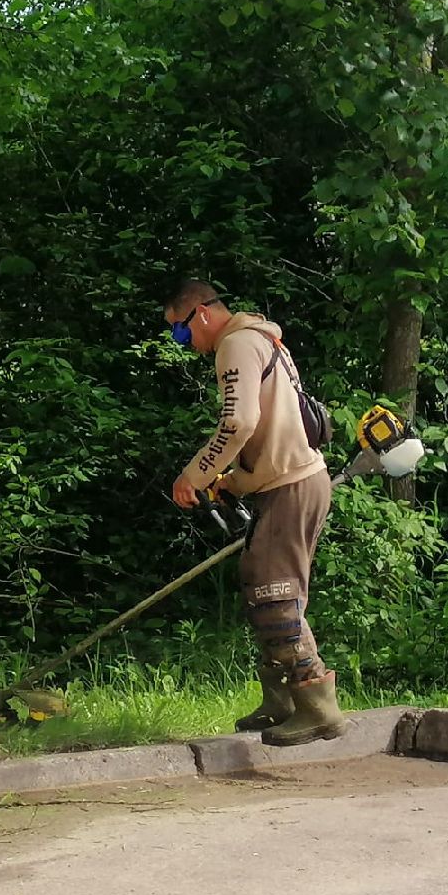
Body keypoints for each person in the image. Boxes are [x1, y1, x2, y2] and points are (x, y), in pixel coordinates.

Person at [162, 279, 348, 746]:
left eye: (180, 333)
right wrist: (232, 482)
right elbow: (272, 428)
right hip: (288, 481)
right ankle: (281, 700)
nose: (183, 345)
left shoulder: (237, 344)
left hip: (292, 485)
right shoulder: (263, 340)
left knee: (275, 592)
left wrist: (196, 475)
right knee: (262, 583)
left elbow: (239, 422)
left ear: (201, 314)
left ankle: (316, 706)